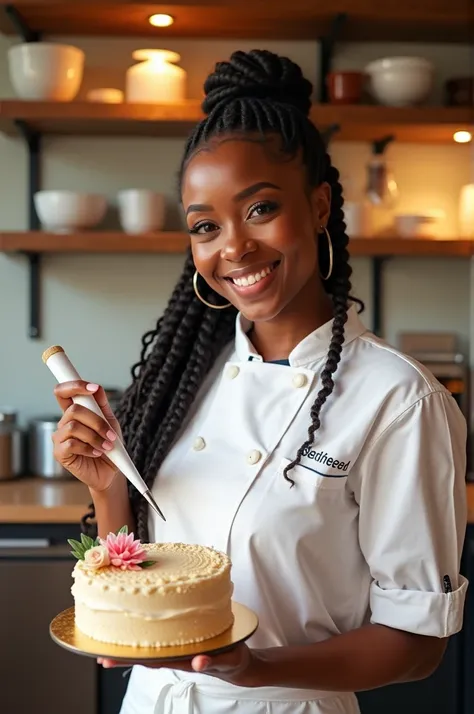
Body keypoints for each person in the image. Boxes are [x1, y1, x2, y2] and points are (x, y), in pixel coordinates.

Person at [52, 49, 468, 714]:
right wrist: (108, 485)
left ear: (320, 205)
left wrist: (252, 668)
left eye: (261, 208)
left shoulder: (397, 399)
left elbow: (417, 645)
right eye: (205, 227)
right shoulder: (183, 380)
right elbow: (139, 583)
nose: (234, 248)